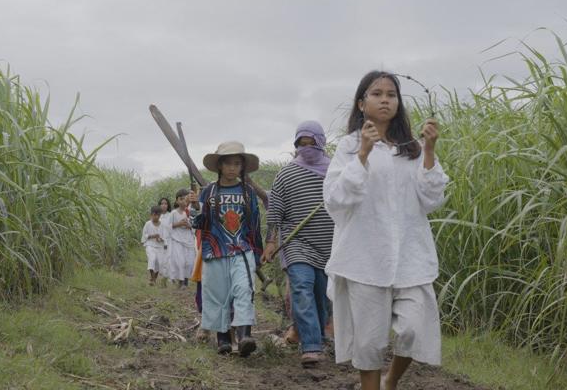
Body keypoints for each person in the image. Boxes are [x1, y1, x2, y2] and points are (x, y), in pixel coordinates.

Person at [323, 71, 449, 390]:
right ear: (362, 103)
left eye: (391, 94)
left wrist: (430, 151)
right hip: (364, 259)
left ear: (398, 102)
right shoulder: (350, 146)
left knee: (413, 329)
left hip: (411, 257)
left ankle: (390, 381)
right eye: (376, 93)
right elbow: (335, 200)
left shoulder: (413, 148)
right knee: (368, 342)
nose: (385, 99)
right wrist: (363, 153)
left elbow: (433, 200)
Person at [262, 120, 335, 367]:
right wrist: (271, 241)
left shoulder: (336, 172)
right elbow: (275, 211)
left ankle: (320, 334)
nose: (306, 148)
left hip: (329, 246)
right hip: (297, 243)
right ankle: (312, 346)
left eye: (310, 143)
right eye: (301, 144)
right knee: (302, 288)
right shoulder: (287, 173)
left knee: (322, 296)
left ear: (321, 142)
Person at [189, 141, 263, 357]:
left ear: (242, 167)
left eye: (237, 164)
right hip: (215, 250)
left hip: (242, 249)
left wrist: (257, 253)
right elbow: (199, 224)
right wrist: (195, 208)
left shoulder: (248, 192)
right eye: (228, 163)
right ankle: (223, 340)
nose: (232, 168)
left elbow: (254, 224)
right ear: (220, 165)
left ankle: (243, 336)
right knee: (217, 295)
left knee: (243, 290)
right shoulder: (208, 192)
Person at [167, 189, 196, 287]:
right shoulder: (173, 213)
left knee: (189, 261)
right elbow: (167, 226)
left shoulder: (191, 213)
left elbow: (195, 227)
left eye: (186, 199)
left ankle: (185, 280)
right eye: (181, 199)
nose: (184, 201)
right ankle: (181, 281)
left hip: (188, 240)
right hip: (177, 240)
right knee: (180, 261)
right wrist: (178, 224)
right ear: (177, 201)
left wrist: (189, 226)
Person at [141, 205, 166, 286]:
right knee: (152, 259)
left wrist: (161, 239)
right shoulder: (148, 224)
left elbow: (165, 236)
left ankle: (155, 278)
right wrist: (152, 236)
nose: (156, 217)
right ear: (151, 215)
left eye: (158, 215)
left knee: (159, 262)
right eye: (154, 215)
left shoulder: (162, 225)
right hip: (150, 244)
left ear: (160, 215)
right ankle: (152, 277)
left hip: (159, 246)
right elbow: (144, 235)